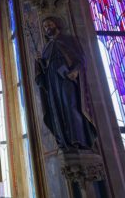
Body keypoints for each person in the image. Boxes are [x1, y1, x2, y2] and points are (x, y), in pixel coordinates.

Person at [35, 17, 96, 152]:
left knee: (71, 105)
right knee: (56, 109)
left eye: (49, 24)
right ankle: (64, 140)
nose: (47, 28)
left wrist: (75, 71)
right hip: (52, 81)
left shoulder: (68, 40)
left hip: (67, 78)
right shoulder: (47, 47)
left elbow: (80, 59)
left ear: (56, 24)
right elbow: (45, 67)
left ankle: (79, 139)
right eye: (45, 27)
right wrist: (40, 63)